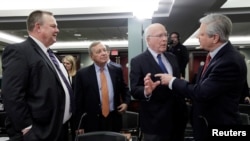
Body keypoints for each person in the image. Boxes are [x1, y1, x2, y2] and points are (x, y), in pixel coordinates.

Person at [148, 14, 247, 141]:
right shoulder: (216, 57)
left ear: (215, 38)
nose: (197, 37)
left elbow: (201, 92)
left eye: (201, 34)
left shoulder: (229, 61)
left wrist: (172, 81)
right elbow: (205, 87)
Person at [1, 10, 73, 141]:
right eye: (53, 26)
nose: (57, 30)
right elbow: (12, 95)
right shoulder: (20, 51)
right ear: (38, 27)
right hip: (39, 133)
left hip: (58, 129)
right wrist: (27, 128)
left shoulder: (51, 55)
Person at [129, 23, 188, 141]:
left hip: (178, 120)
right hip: (155, 123)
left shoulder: (172, 57)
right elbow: (135, 90)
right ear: (148, 39)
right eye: (160, 36)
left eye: (166, 35)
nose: (165, 39)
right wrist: (146, 91)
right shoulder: (138, 61)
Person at [74, 41, 131, 134]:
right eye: (99, 51)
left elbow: (124, 89)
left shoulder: (117, 70)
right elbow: (78, 101)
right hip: (92, 120)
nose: (104, 53)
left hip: (113, 118)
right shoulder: (82, 74)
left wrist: (126, 102)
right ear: (91, 57)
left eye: (104, 50)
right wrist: (79, 125)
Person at [62, 55, 77, 141]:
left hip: (74, 107)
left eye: (68, 63)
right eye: (63, 63)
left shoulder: (77, 76)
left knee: (75, 128)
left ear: (72, 65)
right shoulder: (60, 76)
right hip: (64, 107)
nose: (65, 65)